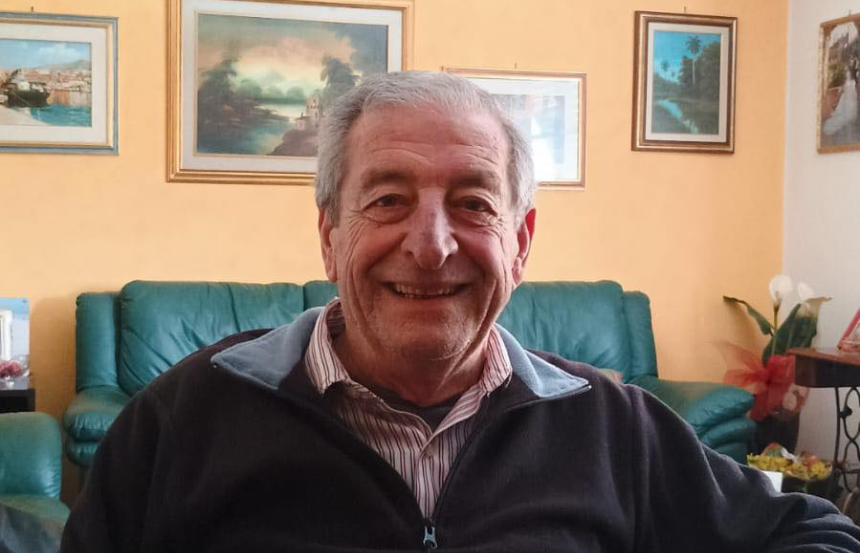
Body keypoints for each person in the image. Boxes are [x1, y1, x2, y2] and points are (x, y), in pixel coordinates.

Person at [61, 71, 860, 552]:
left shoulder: (613, 426)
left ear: (521, 241)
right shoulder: (185, 417)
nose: (431, 244)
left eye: (474, 203)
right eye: (387, 199)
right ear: (330, 235)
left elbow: (816, 532)